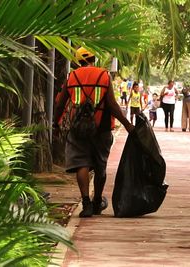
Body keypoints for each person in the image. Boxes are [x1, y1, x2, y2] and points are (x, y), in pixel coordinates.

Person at [53, 47, 134, 218]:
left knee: (81, 163)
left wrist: (56, 123)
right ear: (94, 58)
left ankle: (86, 203)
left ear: (77, 61)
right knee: (100, 165)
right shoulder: (103, 75)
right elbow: (112, 104)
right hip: (102, 127)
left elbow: (60, 103)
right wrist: (127, 124)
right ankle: (97, 201)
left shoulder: (72, 76)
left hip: (78, 128)